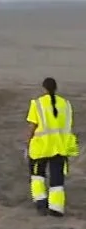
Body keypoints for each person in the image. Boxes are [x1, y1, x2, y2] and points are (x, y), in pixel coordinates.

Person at [27, 77, 79, 216]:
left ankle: (41, 203)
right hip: (61, 146)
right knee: (57, 179)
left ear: (43, 88)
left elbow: (33, 126)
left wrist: (28, 143)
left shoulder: (37, 103)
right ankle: (56, 208)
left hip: (41, 147)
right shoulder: (66, 104)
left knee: (37, 176)